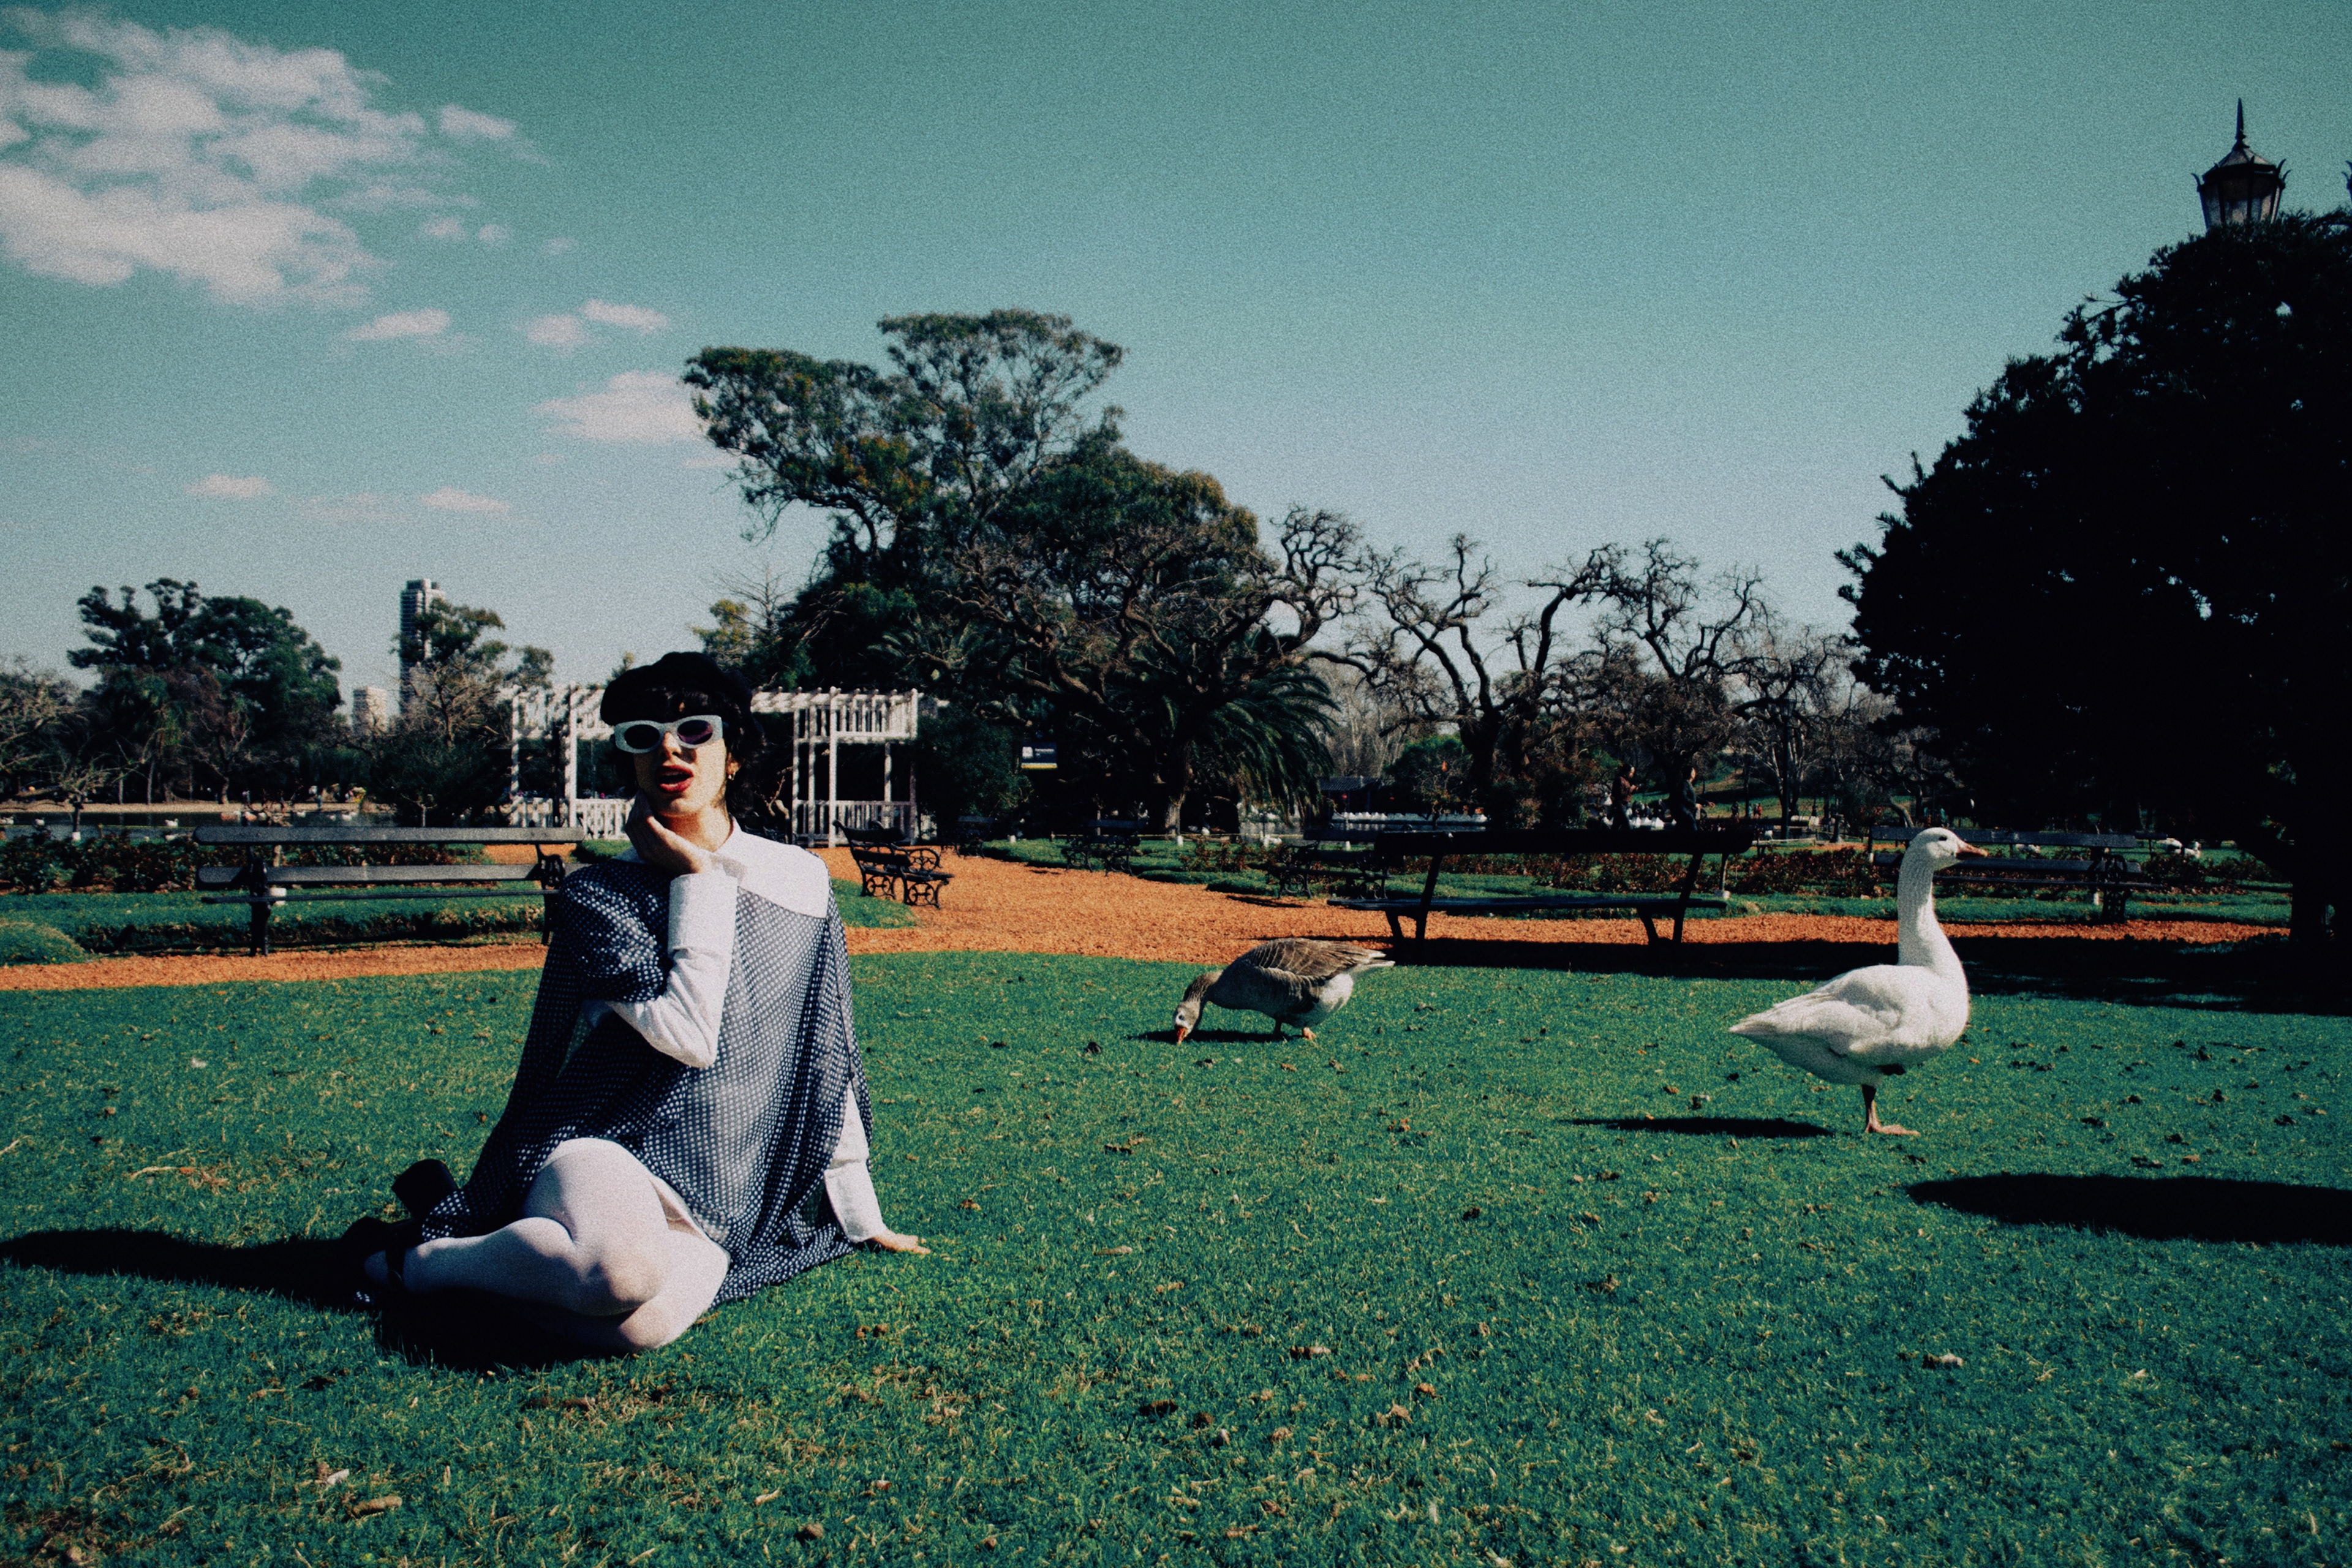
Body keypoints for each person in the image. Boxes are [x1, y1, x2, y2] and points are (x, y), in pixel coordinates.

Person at [344, 652, 922, 1351]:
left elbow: (829, 1053)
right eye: (643, 737)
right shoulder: (599, 895)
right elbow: (689, 1035)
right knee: (617, 1275)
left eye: (696, 730)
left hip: (721, 1180)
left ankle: (482, 1258)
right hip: (605, 1150)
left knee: (640, 1327)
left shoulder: (800, 878)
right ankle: (411, 1263)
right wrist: (697, 878)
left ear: (735, 753)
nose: (670, 749)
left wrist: (860, 1214)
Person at [1667, 764, 1700, 831]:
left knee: (1682, 828)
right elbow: (1683, 797)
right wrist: (1694, 805)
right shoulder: (1684, 784)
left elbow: (1694, 797)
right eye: (1693, 772)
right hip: (1683, 812)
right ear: (1690, 774)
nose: (1695, 774)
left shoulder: (1688, 784)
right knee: (1692, 825)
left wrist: (1707, 802)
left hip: (1686, 811)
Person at [1608, 761, 1635, 831]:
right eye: (1631, 773)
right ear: (1627, 772)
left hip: (1624, 806)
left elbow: (1627, 794)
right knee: (1628, 827)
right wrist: (1630, 789)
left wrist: (1633, 790)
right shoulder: (1620, 780)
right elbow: (1619, 794)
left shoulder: (1626, 781)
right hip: (1621, 806)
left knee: (1616, 827)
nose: (1632, 775)